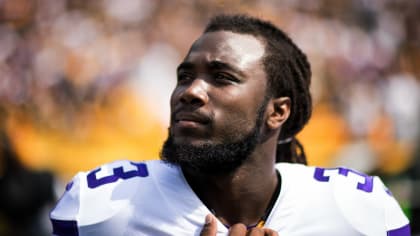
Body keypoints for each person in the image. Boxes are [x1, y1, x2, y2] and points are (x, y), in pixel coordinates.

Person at [49, 14, 410, 236]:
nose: (189, 92)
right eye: (184, 76)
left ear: (277, 112)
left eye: (222, 77)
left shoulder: (358, 212)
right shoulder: (103, 208)